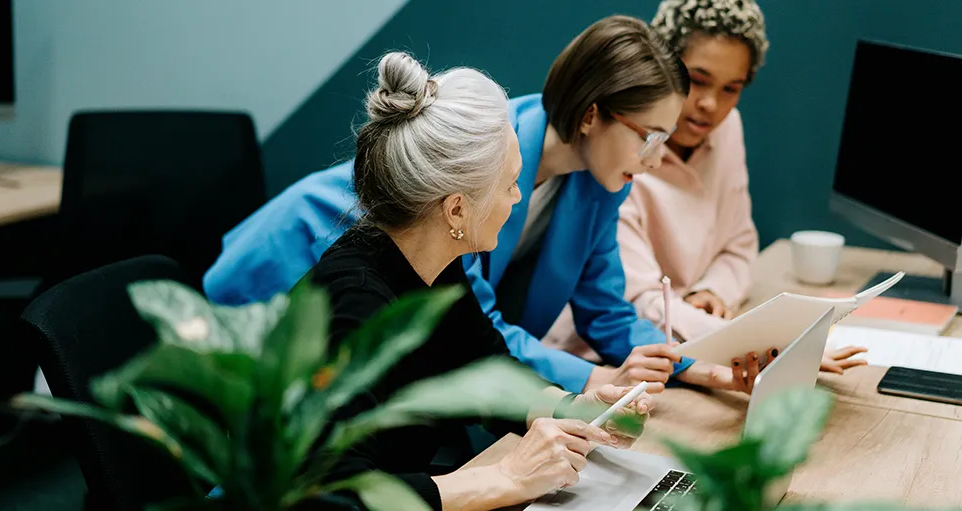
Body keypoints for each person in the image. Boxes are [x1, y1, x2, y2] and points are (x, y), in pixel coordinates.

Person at [204, 15, 771, 395]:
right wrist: (594, 381)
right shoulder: (485, 172)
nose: (654, 160)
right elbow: (484, 325)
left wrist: (704, 370)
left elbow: (607, 311)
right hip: (294, 261)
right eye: (649, 137)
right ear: (593, 114)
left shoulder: (603, 181)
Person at [310, 51, 653, 511]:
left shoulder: (434, 263)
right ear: (456, 209)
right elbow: (333, 495)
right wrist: (506, 477)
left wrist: (578, 411)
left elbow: (485, 369)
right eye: (510, 183)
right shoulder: (353, 304)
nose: (518, 197)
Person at [543, 0, 866, 375]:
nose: (710, 105)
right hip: (600, 354)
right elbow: (632, 302)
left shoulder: (727, 131)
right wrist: (760, 341)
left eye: (731, 88)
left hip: (681, 343)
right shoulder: (617, 156)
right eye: (697, 81)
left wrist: (712, 292)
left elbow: (739, 243)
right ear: (663, 69)